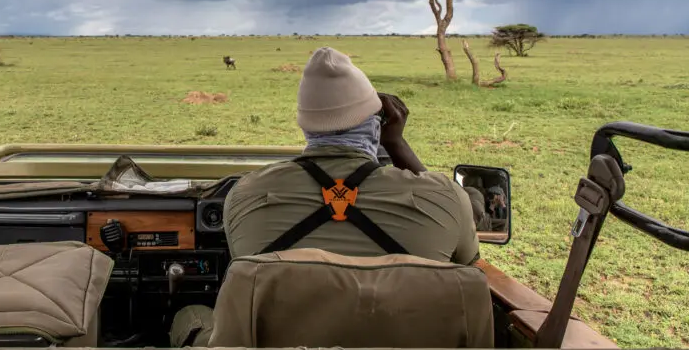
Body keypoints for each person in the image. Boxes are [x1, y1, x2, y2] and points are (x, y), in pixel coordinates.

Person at [170, 47, 480, 347]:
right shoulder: (445, 197)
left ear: (306, 130)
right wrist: (397, 145)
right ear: (378, 130)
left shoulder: (246, 195)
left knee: (189, 316)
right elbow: (469, 265)